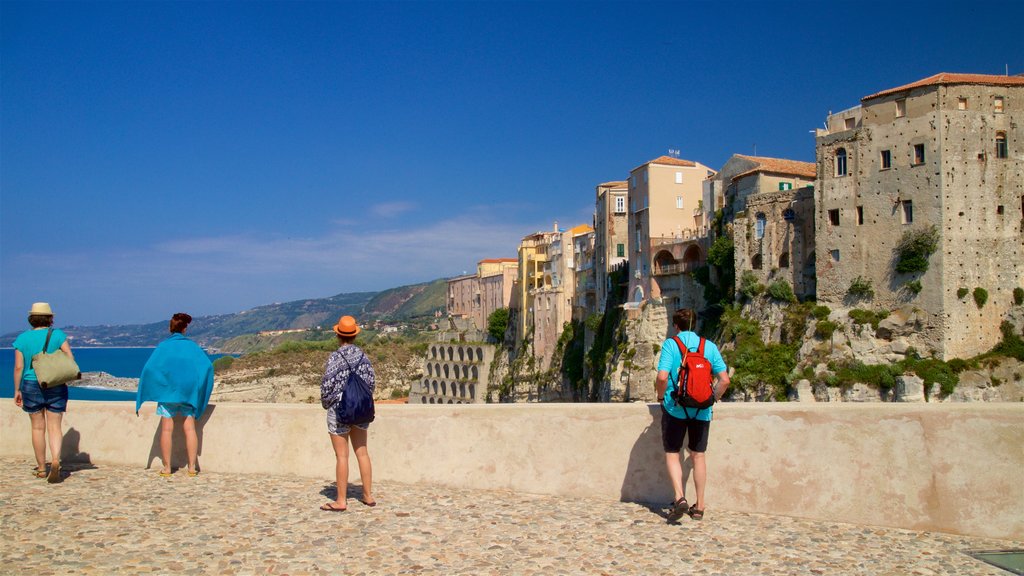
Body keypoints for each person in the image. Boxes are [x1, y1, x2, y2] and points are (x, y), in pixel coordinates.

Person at [654, 308, 730, 522]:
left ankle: (679, 498)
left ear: (675, 326)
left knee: (672, 452)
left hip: (675, 407)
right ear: (694, 325)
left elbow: (662, 377)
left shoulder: (672, 344)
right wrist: (711, 399)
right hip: (702, 410)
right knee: (698, 456)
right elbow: (724, 380)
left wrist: (662, 398)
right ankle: (700, 505)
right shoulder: (709, 346)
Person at [136, 313, 214, 477]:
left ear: (170, 328)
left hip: (167, 393)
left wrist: (160, 383)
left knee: (166, 430)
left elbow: (149, 369)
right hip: (188, 393)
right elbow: (207, 367)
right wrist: (196, 384)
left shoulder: (163, 346)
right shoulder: (192, 347)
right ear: (185, 328)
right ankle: (192, 468)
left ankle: (167, 468)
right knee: (190, 429)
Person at [12, 302, 74, 483]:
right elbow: (70, 358)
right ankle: (56, 460)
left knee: (37, 427)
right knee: (55, 426)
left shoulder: (22, 339)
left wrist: (17, 390)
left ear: (31, 319)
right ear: (50, 318)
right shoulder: (57, 335)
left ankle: (41, 468)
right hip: (55, 383)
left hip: (31, 384)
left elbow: (18, 367)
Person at [319, 315, 376, 512]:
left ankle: (341, 501)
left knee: (342, 457)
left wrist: (328, 404)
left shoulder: (335, 357)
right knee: (363, 452)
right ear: (354, 335)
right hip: (360, 410)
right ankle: (368, 496)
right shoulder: (363, 357)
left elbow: (327, 386)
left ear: (338, 335)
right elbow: (371, 383)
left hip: (339, 411)